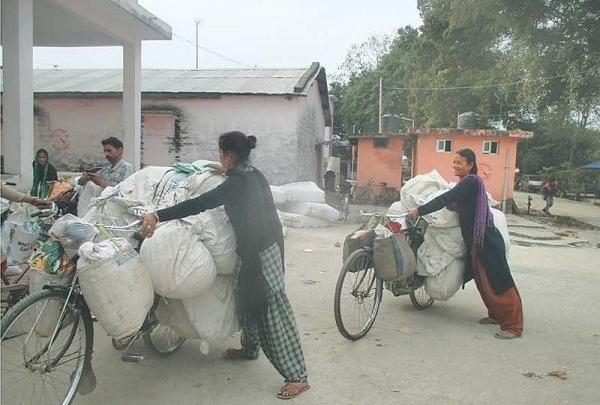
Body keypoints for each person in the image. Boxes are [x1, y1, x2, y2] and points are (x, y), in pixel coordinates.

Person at [140, 131, 310, 399]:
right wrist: (225, 169)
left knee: (273, 312)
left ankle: (297, 376)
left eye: (221, 154)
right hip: (252, 251)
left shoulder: (236, 185)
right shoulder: (252, 173)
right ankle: (250, 349)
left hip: (262, 254)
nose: (219, 158)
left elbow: (199, 203)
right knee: (246, 302)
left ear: (229, 155)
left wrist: (158, 215)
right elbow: (233, 179)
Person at [407, 148, 523, 340]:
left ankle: (513, 326)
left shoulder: (470, 182)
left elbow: (446, 198)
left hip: (487, 241)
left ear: (470, 165)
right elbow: (454, 202)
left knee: (500, 281)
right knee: (484, 281)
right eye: (454, 162)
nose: (455, 166)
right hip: (477, 242)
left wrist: (419, 210)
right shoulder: (467, 183)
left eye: (459, 163)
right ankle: (495, 315)